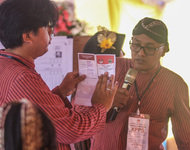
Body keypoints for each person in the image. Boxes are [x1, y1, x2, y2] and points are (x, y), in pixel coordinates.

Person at [0, 0, 118, 149]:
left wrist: (60, 91)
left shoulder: (5, 64)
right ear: (27, 35)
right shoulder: (22, 77)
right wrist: (101, 106)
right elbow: (70, 130)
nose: (51, 32)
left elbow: (37, 111)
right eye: (46, 26)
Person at [80, 17, 190, 150]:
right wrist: (103, 104)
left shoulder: (175, 84)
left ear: (164, 49)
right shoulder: (111, 68)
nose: (140, 53)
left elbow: (188, 140)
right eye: (136, 45)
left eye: (149, 48)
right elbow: (76, 113)